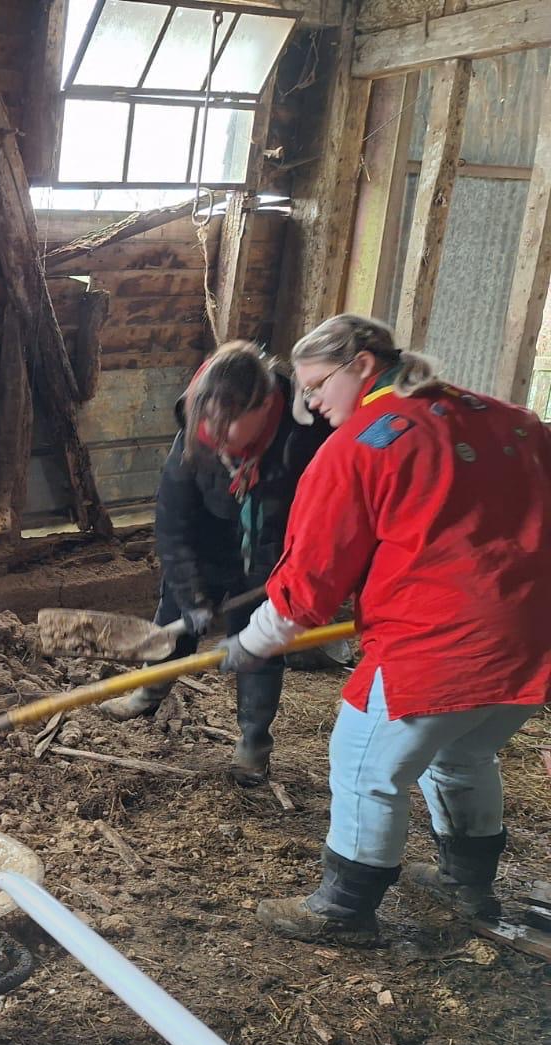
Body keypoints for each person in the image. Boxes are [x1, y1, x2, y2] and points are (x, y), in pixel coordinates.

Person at [222, 314, 551, 945]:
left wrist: (253, 642)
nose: (311, 404)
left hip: (440, 640)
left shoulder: (364, 445)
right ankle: (464, 880)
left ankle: (343, 909)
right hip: (531, 635)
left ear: (363, 367)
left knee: (364, 766)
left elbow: (310, 582)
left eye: (317, 386)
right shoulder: (509, 420)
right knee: (464, 752)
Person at [101, 340, 331, 784]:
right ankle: (150, 691)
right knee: (173, 616)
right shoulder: (194, 430)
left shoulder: (306, 434)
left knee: (260, 641)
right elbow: (173, 523)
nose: (219, 439)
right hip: (209, 536)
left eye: (231, 428)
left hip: (273, 547)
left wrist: (269, 584)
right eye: (211, 427)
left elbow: (312, 520)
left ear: (266, 406)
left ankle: (253, 740)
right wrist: (192, 594)